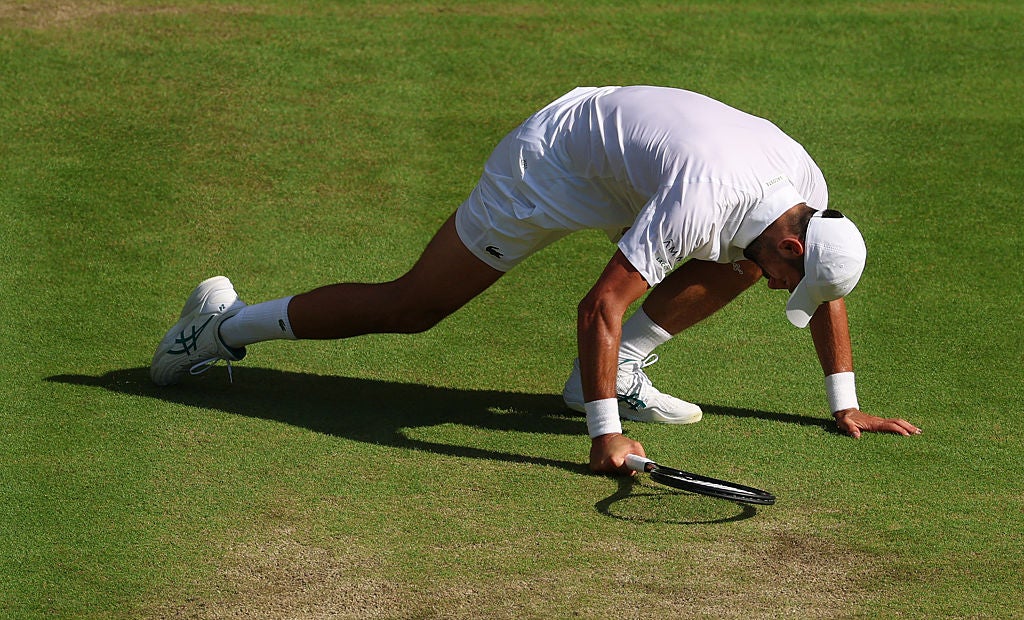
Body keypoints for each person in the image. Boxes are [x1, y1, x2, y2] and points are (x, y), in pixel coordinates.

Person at [150, 86, 921, 474]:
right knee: (414, 305)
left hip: (631, 164)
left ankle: (618, 374)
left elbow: (825, 289)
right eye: (790, 269)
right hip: (552, 164)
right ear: (796, 236)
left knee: (738, 265)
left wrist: (844, 405)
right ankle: (217, 325)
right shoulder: (708, 201)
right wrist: (604, 435)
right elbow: (598, 306)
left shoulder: (806, 202)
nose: (784, 282)